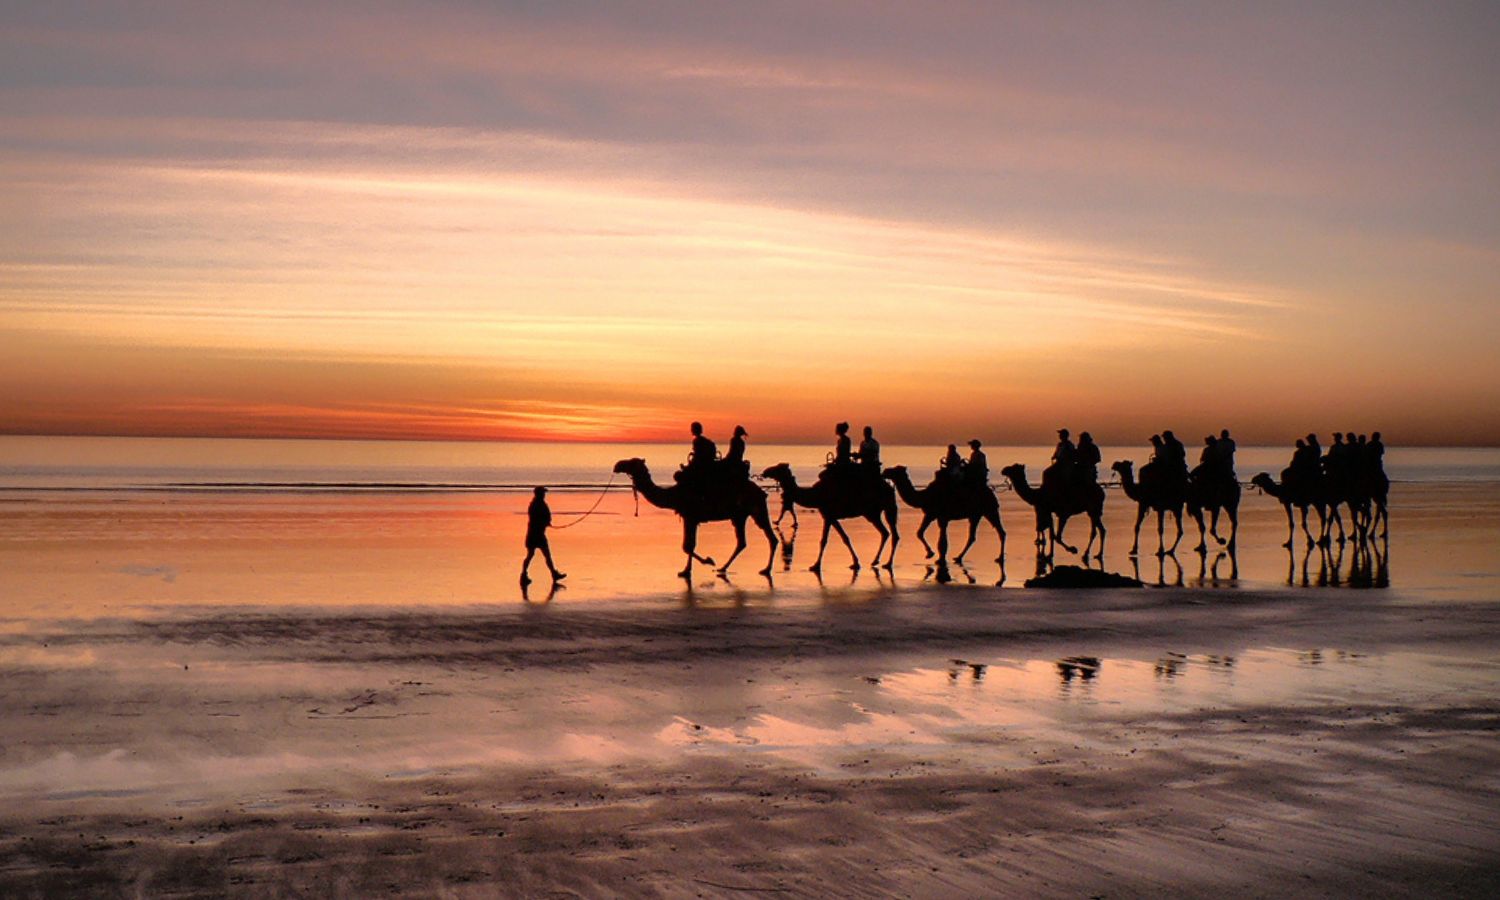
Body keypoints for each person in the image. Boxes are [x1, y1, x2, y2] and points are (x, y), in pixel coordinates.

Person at [521, 486, 565, 585]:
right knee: (534, 555)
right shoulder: (536, 504)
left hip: (536, 533)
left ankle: (553, 573)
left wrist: (546, 521)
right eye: (543, 493)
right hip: (536, 534)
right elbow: (537, 518)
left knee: (536, 555)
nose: (544, 495)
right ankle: (524, 575)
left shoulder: (537, 504)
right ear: (539, 494)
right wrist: (545, 522)